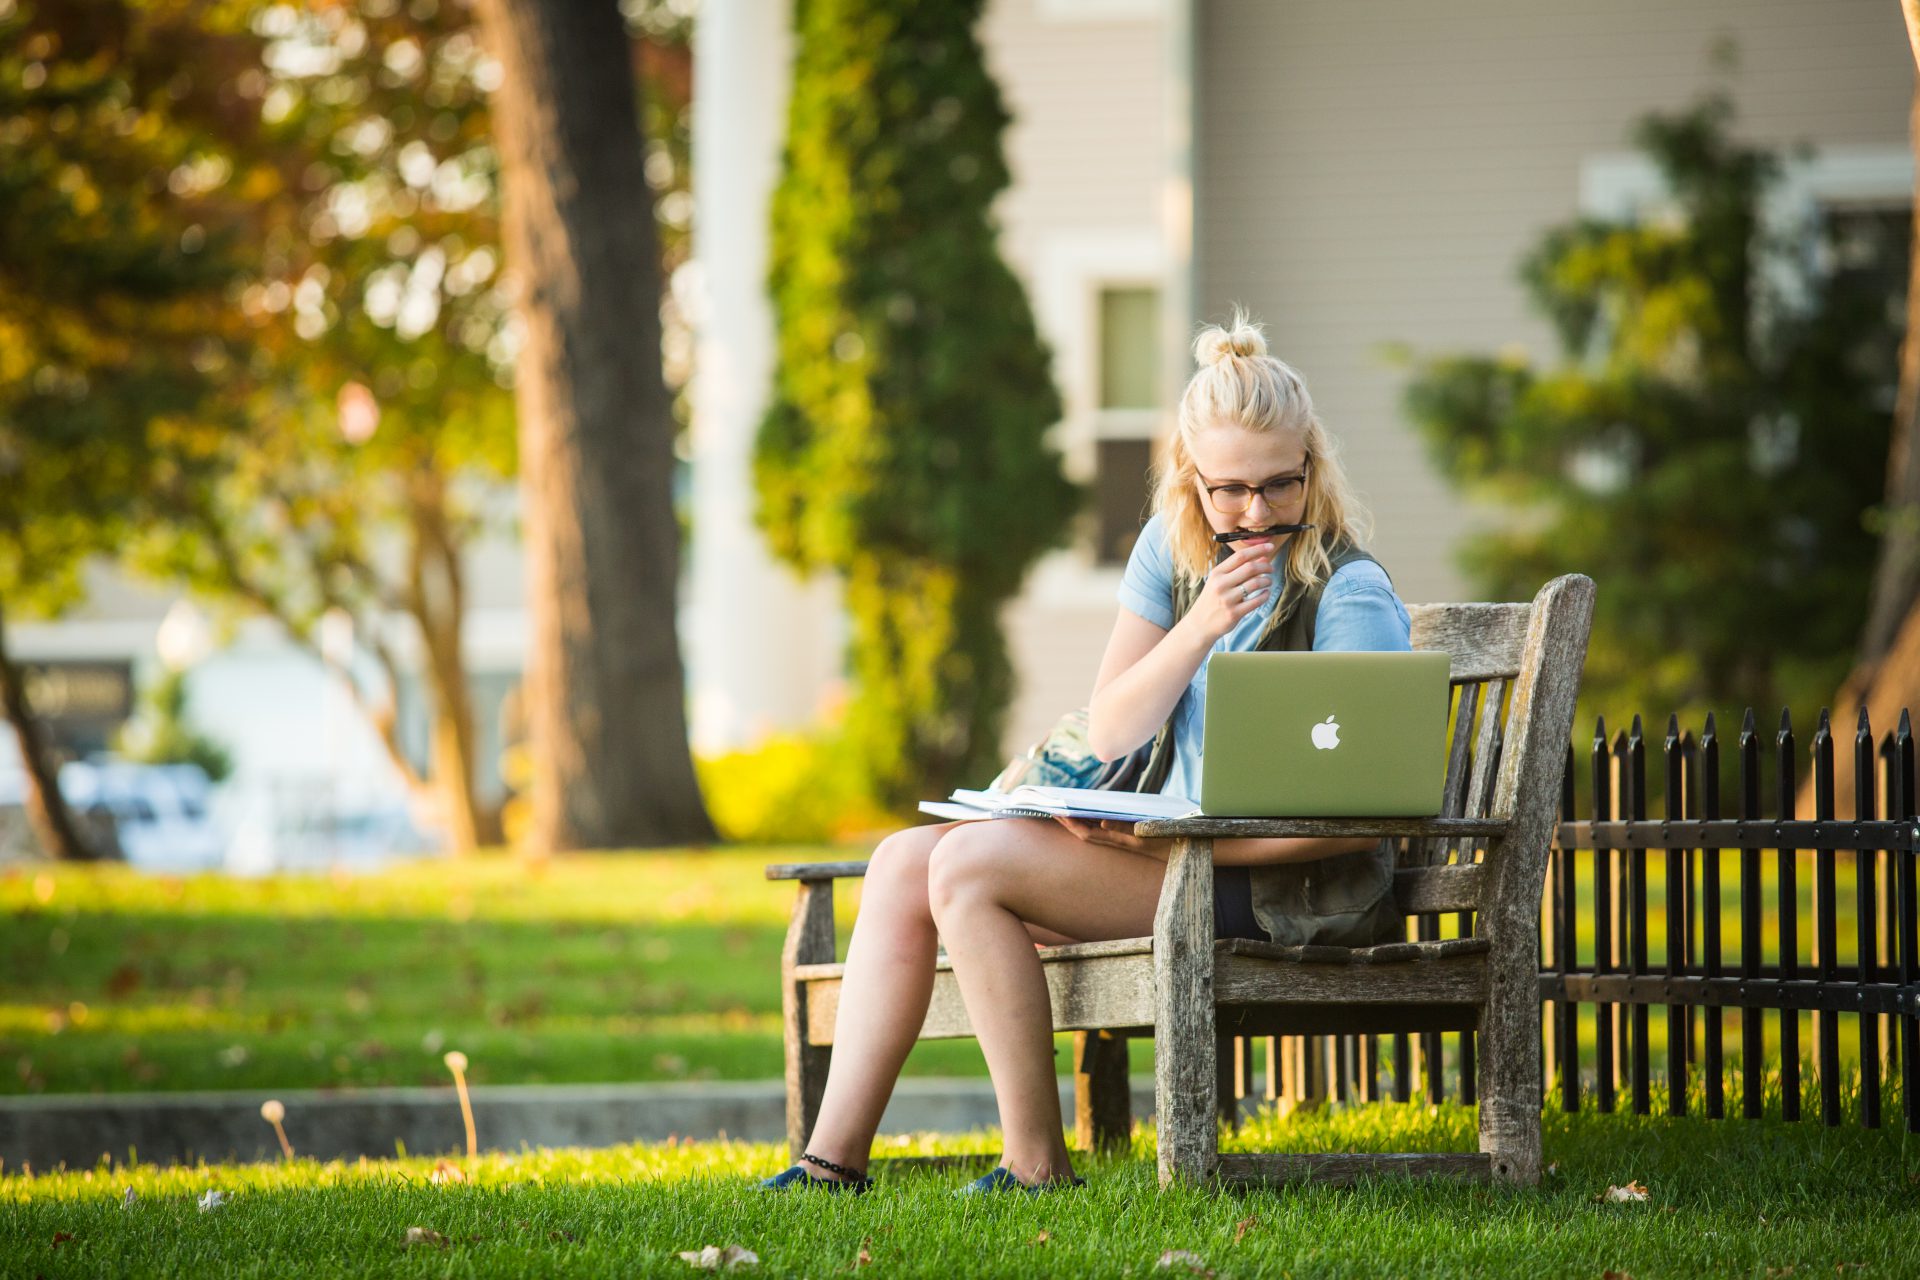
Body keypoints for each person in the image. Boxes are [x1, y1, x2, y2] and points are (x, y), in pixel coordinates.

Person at [759, 309, 1413, 1196]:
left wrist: (1182, 847)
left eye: (1279, 486)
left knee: (969, 869)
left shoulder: (1348, 592)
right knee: (904, 861)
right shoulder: (1174, 555)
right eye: (1228, 490)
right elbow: (1112, 730)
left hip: (1276, 888)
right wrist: (1204, 625)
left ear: (1313, 466)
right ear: (1191, 480)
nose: (1255, 513)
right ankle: (830, 1163)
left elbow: (1364, 818)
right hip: (1177, 864)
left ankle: (1035, 1164)